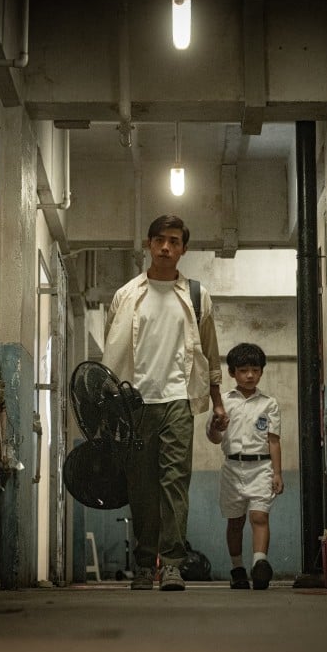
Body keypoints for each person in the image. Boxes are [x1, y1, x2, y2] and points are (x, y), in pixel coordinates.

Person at [103, 215, 227, 591]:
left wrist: (218, 402)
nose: (166, 248)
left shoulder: (195, 296)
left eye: (174, 241)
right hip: (136, 402)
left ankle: (171, 564)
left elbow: (210, 352)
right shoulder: (126, 296)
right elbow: (112, 352)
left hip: (178, 400)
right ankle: (144, 565)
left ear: (184, 249)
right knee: (141, 486)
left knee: (174, 482)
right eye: (159, 240)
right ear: (148, 243)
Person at [206, 342, 283, 590]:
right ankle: (237, 568)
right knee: (235, 521)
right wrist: (217, 428)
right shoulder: (224, 402)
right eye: (243, 370)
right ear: (232, 373)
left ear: (261, 371)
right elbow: (214, 438)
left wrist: (277, 473)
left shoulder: (268, 404)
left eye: (255, 370)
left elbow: (273, 441)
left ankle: (259, 564)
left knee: (259, 516)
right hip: (232, 467)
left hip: (261, 467)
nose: (249, 375)